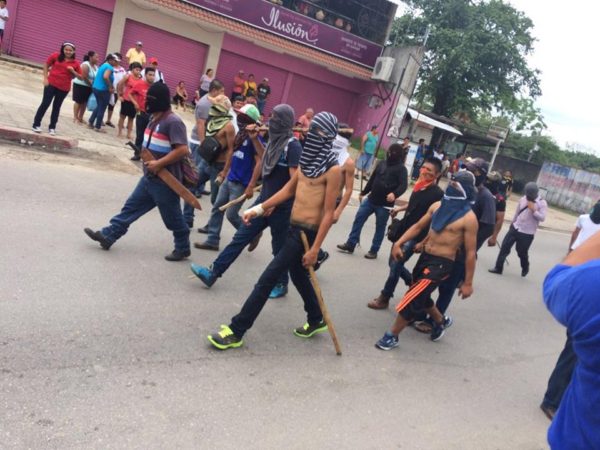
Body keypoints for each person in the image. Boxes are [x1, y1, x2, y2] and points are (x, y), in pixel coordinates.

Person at [205, 112, 342, 350]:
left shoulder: (333, 169)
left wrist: (316, 248)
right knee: (299, 276)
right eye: (313, 130)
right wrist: (258, 209)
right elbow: (288, 191)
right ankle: (316, 317)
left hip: (306, 234)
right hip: (293, 226)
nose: (312, 135)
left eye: (318, 131)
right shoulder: (308, 161)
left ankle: (236, 330)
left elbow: (329, 213)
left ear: (328, 136)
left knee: (267, 279)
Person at [190, 104, 302, 300]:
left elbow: (295, 182)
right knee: (240, 238)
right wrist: (253, 139)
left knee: (278, 248)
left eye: (275, 117)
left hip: (280, 207)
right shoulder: (274, 141)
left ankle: (282, 283)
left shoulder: (293, 146)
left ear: (284, 121)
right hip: (262, 201)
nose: (270, 120)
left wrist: (275, 204)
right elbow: (264, 158)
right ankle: (213, 273)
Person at [83, 83, 191, 261]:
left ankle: (183, 247)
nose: (147, 101)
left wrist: (158, 164)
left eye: (151, 99)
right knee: (130, 208)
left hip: (166, 180)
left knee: (172, 219)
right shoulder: (153, 118)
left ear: (161, 101)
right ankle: (108, 235)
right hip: (149, 177)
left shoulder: (173, 122)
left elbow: (182, 150)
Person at [375, 170, 478, 350]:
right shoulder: (437, 206)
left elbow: (470, 253)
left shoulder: (469, 219)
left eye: (457, 186)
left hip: (443, 263)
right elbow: (418, 227)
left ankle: (391, 336)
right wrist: (399, 243)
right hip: (426, 256)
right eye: (452, 183)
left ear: (466, 190)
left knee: (414, 296)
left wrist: (468, 282)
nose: (452, 187)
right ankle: (441, 320)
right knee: (421, 293)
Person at [412, 157, 496, 333]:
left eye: (473, 170)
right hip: (439, 249)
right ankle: (420, 312)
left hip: (460, 254)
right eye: (467, 168)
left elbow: (488, 227)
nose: (468, 172)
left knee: (446, 288)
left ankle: (435, 321)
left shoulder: (485, 197)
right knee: (424, 282)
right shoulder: (457, 189)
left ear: (481, 175)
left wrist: (464, 244)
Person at [540, 200, 600, 421]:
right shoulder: (585, 219)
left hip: (582, 279)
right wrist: (570, 254)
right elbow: (575, 236)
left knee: (577, 357)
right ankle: (551, 400)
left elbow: (555, 287)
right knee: (572, 355)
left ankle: (558, 399)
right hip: (583, 277)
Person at [368, 157, 444, 309]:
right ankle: (412, 282)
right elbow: (414, 203)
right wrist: (399, 208)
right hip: (404, 231)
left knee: (396, 264)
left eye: (429, 170)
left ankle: (385, 296)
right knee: (392, 262)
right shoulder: (419, 187)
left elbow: (435, 221)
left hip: (416, 235)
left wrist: (423, 242)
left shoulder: (437, 194)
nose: (424, 171)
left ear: (437, 174)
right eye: (423, 168)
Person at [194, 104, 264, 251]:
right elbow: (231, 154)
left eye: (244, 118)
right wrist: (225, 172)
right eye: (240, 117)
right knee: (217, 208)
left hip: (242, 183)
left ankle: (251, 234)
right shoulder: (240, 135)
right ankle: (213, 240)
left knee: (232, 215)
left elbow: (260, 162)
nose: (240, 120)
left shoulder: (255, 138)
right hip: (230, 178)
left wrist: (251, 185)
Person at [337, 142, 408, 259]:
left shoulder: (402, 169)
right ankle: (350, 244)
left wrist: (394, 194)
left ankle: (374, 250)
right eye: (389, 152)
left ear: (397, 155)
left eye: (391, 153)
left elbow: (403, 185)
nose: (389, 154)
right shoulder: (382, 163)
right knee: (358, 219)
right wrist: (363, 192)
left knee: (380, 227)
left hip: (385, 205)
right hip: (371, 199)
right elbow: (373, 179)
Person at [183, 79, 225, 228]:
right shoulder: (204, 104)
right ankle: (187, 217)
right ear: (214, 91)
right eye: (221, 92)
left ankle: (212, 227)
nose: (223, 95)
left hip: (215, 156)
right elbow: (200, 125)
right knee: (193, 180)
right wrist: (203, 145)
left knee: (216, 196)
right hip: (203, 146)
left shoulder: (221, 109)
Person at [315, 124, 356, 270]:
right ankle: (317, 255)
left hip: (332, 202)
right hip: (317, 196)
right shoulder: (324, 152)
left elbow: (349, 190)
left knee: (314, 234)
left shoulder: (348, 162)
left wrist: (338, 211)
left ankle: (315, 257)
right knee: (308, 232)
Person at [488, 182, 547, 277]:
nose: (528, 196)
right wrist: (512, 223)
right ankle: (498, 268)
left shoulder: (542, 203)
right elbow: (517, 212)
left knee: (521, 252)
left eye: (530, 194)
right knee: (504, 247)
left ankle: (525, 266)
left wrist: (534, 210)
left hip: (527, 232)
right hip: (516, 227)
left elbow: (542, 218)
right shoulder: (523, 199)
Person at [32, 42, 82, 135]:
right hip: (51, 84)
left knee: (57, 107)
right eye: (66, 49)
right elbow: (46, 65)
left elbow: (80, 77)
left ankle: (52, 127)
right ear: (63, 49)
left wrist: (72, 71)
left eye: (70, 50)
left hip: (64, 88)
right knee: (45, 103)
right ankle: (36, 124)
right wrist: (45, 78)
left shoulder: (76, 63)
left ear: (73, 51)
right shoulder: (55, 56)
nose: (68, 52)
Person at [127, 66, 155, 160]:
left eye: (153, 75)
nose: (152, 77)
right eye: (150, 75)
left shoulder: (155, 87)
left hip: (152, 115)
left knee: (150, 136)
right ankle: (137, 154)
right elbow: (130, 94)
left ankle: (148, 156)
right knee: (140, 135)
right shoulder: (140, 84)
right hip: (141, 113)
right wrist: (135, 103)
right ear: (145, 75)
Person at [88, 53, 120, 132]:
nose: (117, 63)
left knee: (99, 106)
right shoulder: (109, 67)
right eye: (115, 61)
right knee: (102, 108)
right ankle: (98, 126)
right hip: (103, 90)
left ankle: (91, 122)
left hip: (96, 88)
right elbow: (105, 77)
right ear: (110, 60)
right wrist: (110, 87)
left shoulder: (103, 65)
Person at [116, 62, 142, 140]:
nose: (138, 71)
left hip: (134, 102)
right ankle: (119, 132)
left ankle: (129, 134)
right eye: (136, 69)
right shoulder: (128, 77)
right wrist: (119, 95)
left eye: (139, 70)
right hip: (126, 99)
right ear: (132, 69)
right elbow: (119, 84)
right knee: (122, 117)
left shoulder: (141, 80)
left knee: (131, 118)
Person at [487, 170, 513, 246]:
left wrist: (508, 194)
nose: (507, 173)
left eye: (509, 173)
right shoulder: (501, 178)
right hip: (498, 191)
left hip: (503, 193)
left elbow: (510, 187)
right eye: (506, 172)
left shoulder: (510, 180)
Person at [72, 50, 98, 124]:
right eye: (96, 57)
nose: (97, 59)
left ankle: (80, 117)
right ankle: (75, 117)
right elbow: (84, 77)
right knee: (78, 101)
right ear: (90, 57)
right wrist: (92, 85)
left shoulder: (96, 66)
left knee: (84, 102)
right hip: (80, 85)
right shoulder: (85, 65)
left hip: (89, 86)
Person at [105, 53, 125, 128]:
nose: (117, 61)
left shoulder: (122, 69)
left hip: (116, 91)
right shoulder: (109, 67)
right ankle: (99, 119)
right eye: (116, 59)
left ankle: (108, 120)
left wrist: (122, 91)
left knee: (112, 105)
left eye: (119, 59)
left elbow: (124, 80)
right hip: (107, 89)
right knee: (104, 104)